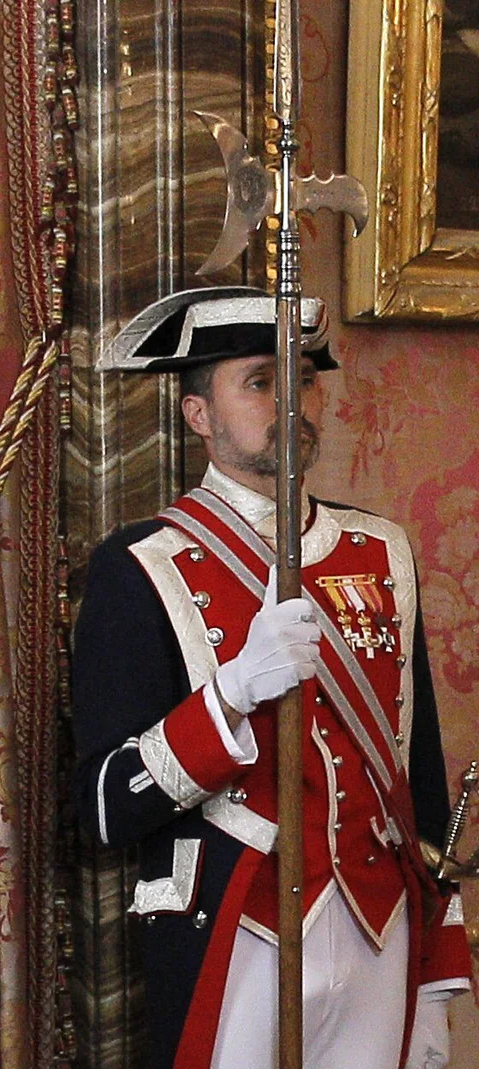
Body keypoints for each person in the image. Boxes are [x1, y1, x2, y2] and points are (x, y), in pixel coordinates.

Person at [71, 287, 472, 1069]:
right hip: (236, 927)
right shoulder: (140, 567)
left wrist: (437, 975)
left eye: (306, 378)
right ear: (198, 415)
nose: (293, 399)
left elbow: (414, 785)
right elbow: (104, 804)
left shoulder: (381, 553)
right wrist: (229, 697)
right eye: (261, 380)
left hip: (378, 933)